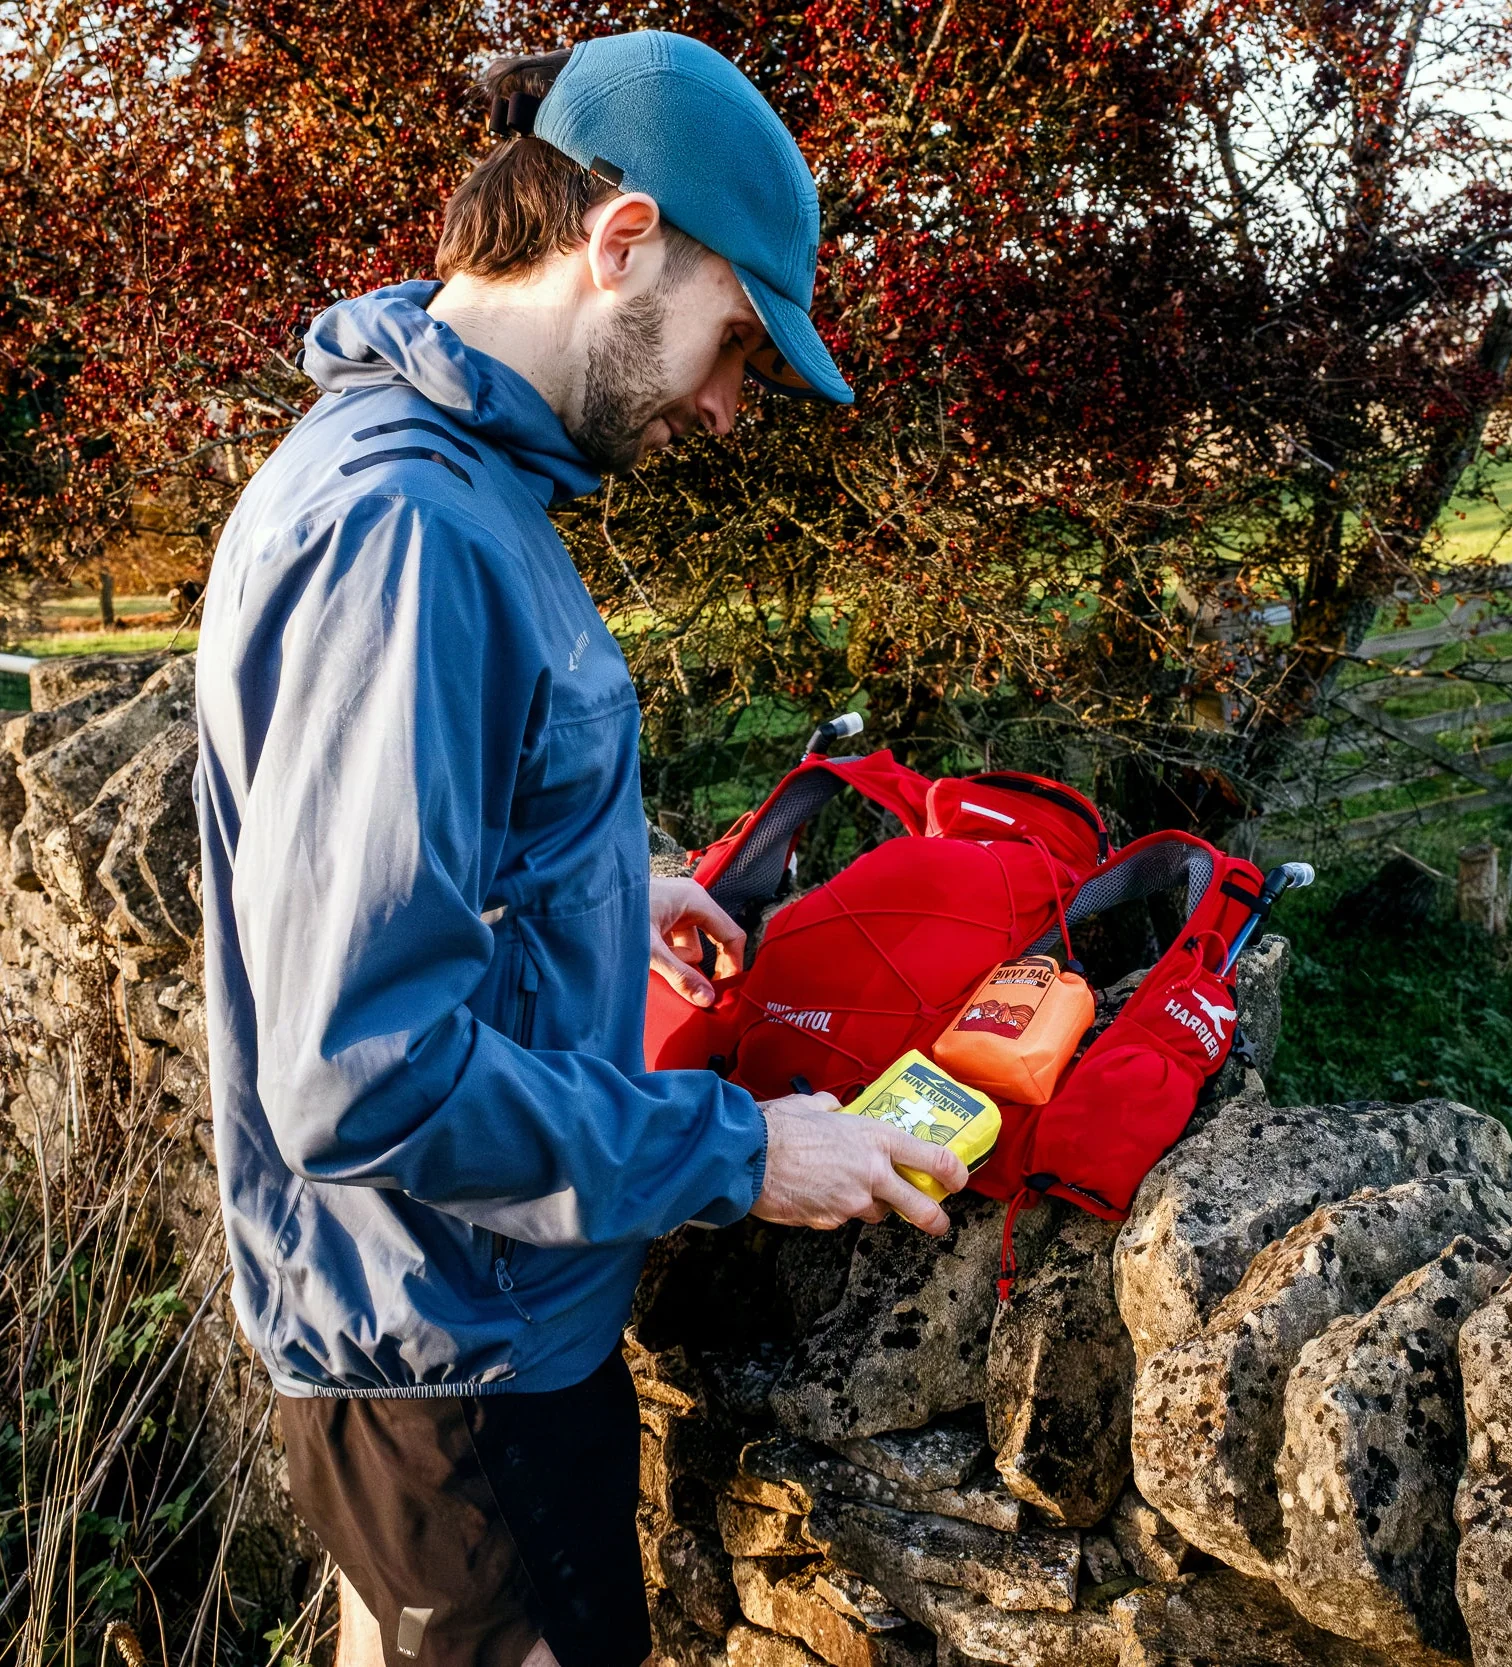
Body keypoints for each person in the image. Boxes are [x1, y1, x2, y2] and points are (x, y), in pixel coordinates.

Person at [192, 31, 967, 1667]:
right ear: (621, 245)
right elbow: (359, 1070)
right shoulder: (411, 532)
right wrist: (744, 1152)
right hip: (456, 1368)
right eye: (736, 345)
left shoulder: (448, 482)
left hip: (436, 1341)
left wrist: (604, 891)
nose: (731, 408)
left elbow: (406, 866)